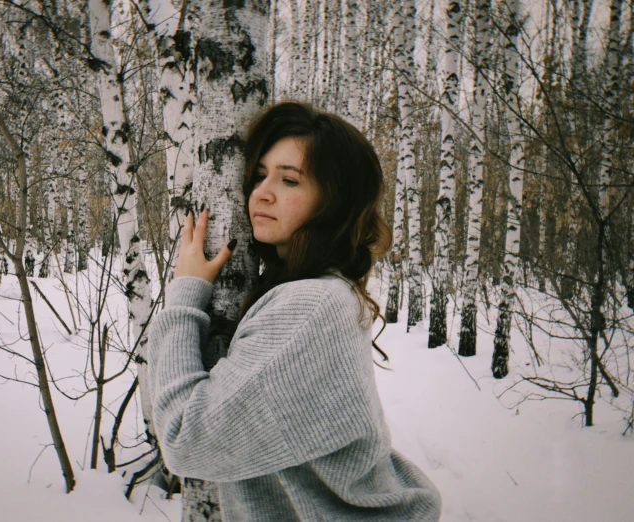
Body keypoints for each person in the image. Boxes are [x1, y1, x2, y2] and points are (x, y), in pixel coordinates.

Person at [147, 101, 441, 521]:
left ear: (333, 201)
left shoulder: (311, 306)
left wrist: (184, 295)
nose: (262, 193)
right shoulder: (321, 292)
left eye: (289, 180)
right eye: (260, 175)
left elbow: (184, 441)